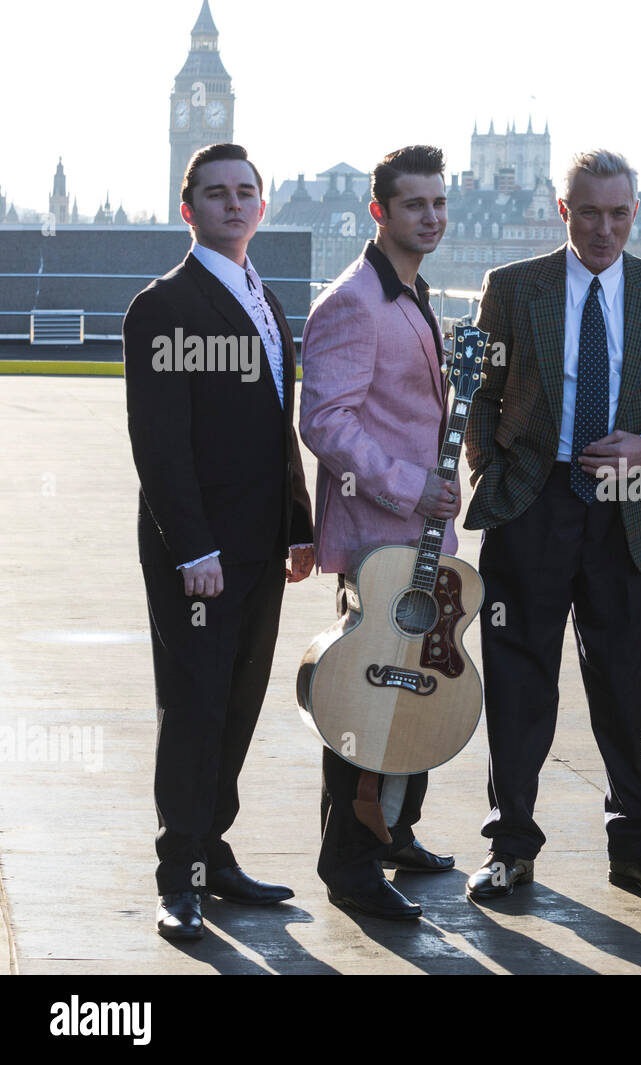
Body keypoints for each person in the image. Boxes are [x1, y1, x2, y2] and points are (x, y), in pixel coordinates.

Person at [463, 149, 641, 901]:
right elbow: (483, 391)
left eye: (619, 213)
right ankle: (511, 847)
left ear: (637, 212)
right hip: (532, 506)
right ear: (562, 210)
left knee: (628, 688)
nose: (605, 228)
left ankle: (636, 846)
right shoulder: (514, 287)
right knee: (518, 684)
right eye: (590, 212)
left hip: (623, 514)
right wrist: (489, 471)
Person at [123, 143, 314, 941]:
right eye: (217, 193)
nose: (234, 204)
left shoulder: (264, 298)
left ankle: (214, 850)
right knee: (196, 707)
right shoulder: (164, 304)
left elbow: (278, 428)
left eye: (246, 192)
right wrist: (192, 548)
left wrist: (298, 528)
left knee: (238, 704)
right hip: (197, 554)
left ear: (261, 206)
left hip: (262, 546)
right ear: (188, 207)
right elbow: (158, 442)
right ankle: (180, 876)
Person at [298, 145, 461, 921]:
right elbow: (323, 421)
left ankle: (396, 831)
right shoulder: (353, 302)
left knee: (420, 682)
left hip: (422, 537)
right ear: (380, 212)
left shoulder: (413, 292)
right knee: (365, 694)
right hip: (379, 536)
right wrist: (410, 484)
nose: (429, 216)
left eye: (437, 202)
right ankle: (349, 862)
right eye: (413, 205)